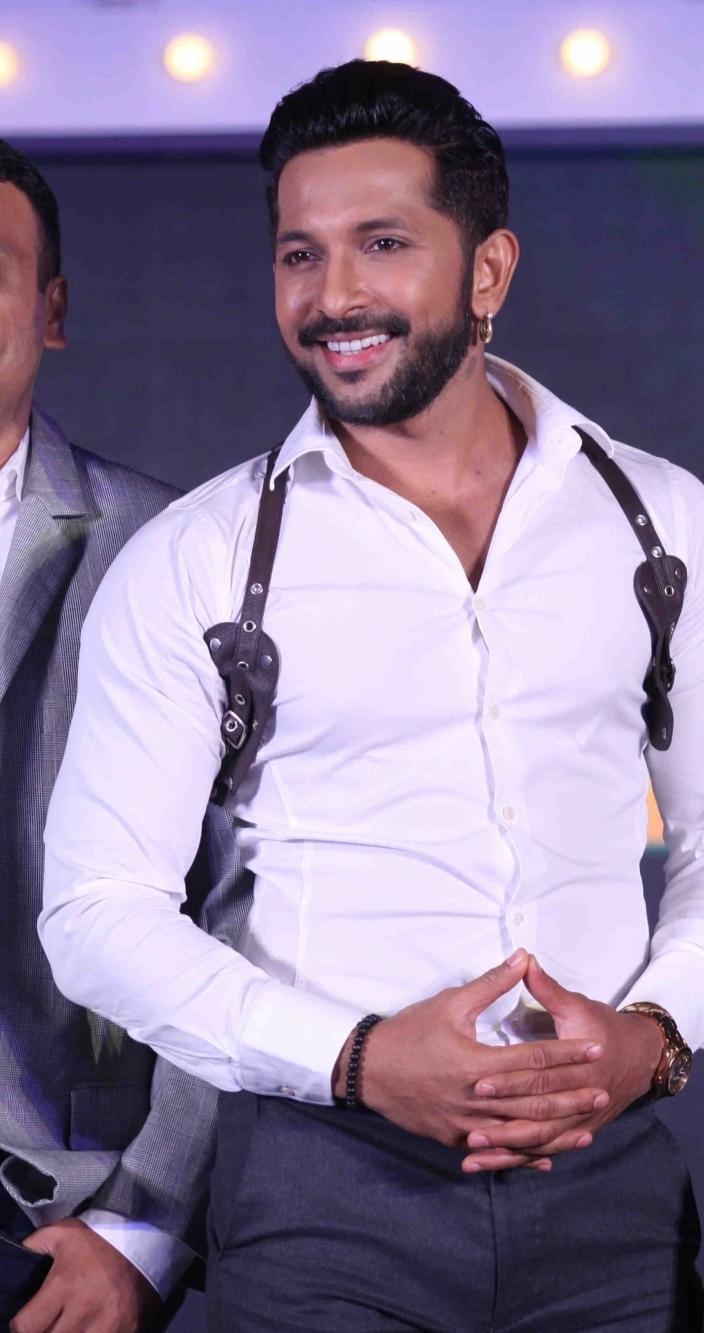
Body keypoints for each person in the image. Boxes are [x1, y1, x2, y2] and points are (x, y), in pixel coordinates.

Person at [39, 62, 704, 1330]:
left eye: (383, 244)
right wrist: (357, 1060)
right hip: (323, 1198)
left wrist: (651, 1037)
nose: (334, 296)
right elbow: (97, 911)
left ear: (489, 271)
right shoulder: (199, 559)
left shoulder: (660, 521)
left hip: (609, 1201)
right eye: (299, 253)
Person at [0, 138, 236, 1333]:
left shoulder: (164, 552)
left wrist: (144, 1228)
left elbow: (241, 910)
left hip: (47, 1229)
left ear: (52, 311)